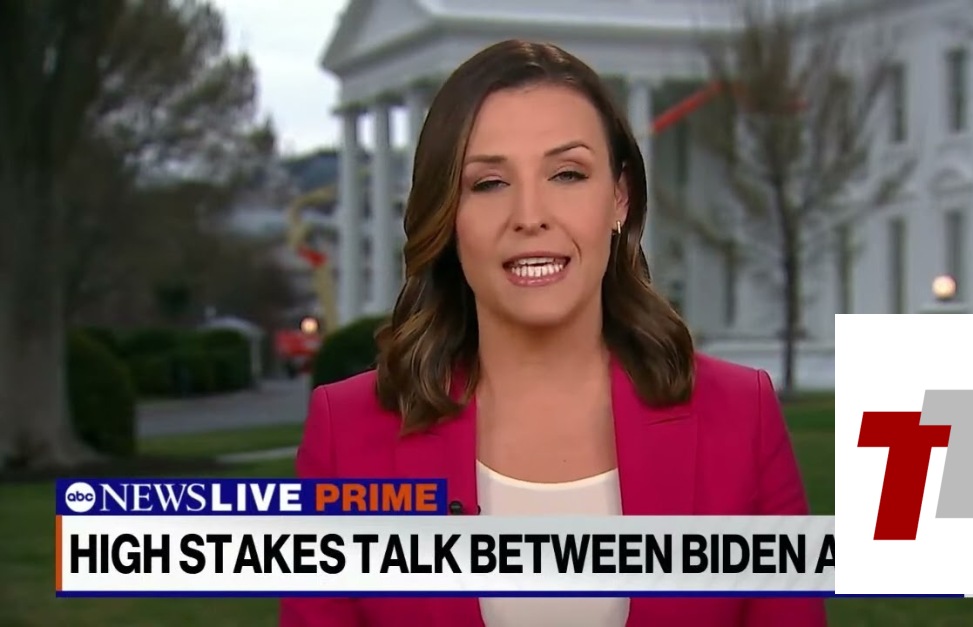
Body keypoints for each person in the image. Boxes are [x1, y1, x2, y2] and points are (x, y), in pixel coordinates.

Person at [279, 39, 827, 627]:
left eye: (567, 174)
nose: (530, 216)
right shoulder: (347, 434)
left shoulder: (742, 417)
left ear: (619, 198)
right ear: (448, 215)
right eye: (489, 183)